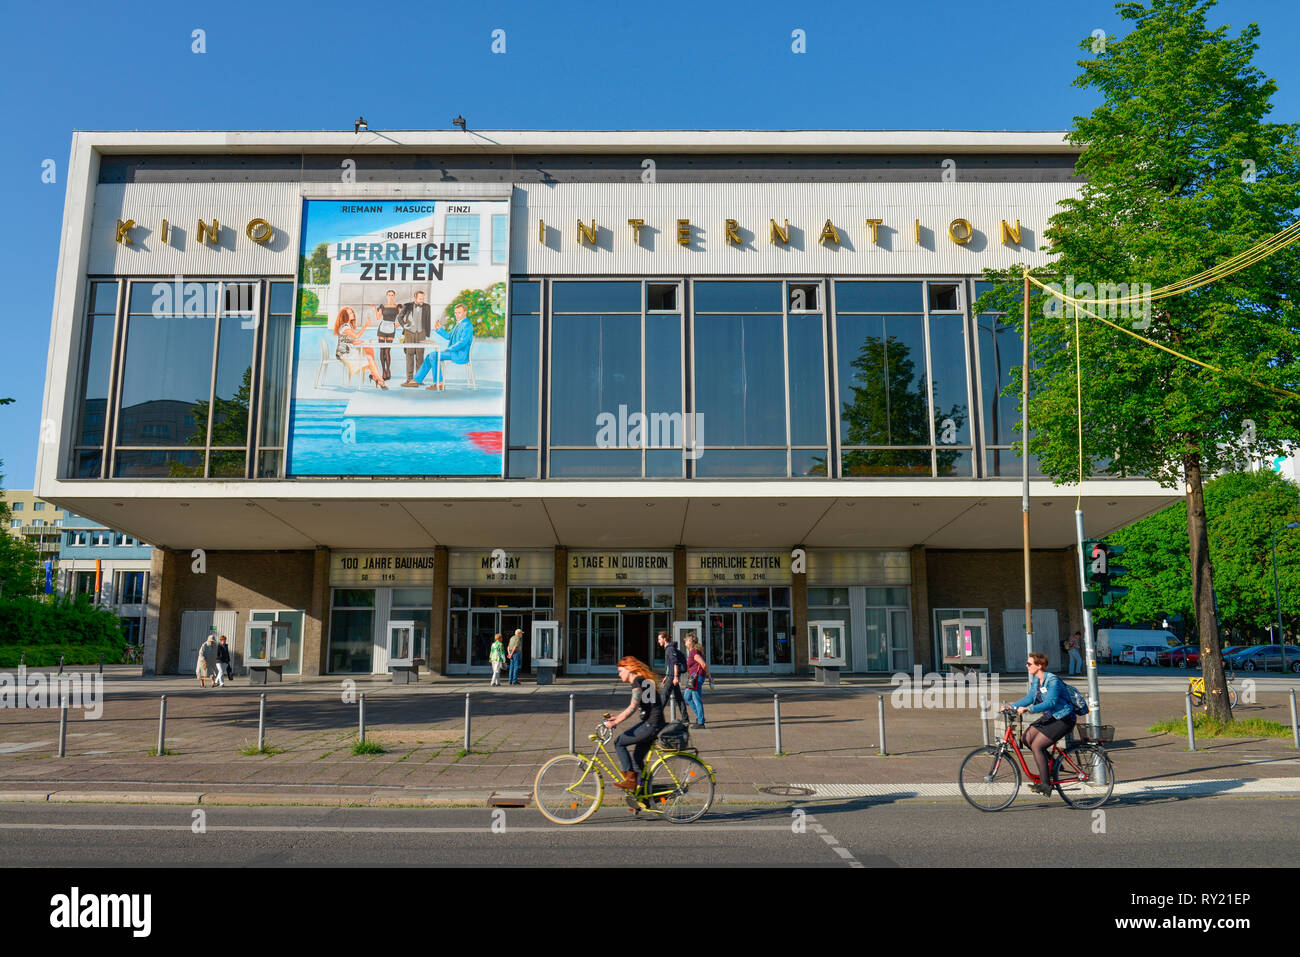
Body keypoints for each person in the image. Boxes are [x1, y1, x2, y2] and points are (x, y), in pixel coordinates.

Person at [1011, 652, 1077, 795]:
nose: (1026, 666)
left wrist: (1030, 709)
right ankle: (1054, 765)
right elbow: (1029, 697)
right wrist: (1012, 707)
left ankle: (1046, 785)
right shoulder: (1037, 680)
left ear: (1039, 666)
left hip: (1064, 718)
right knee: (1026, 738)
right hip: (1051, 717)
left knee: (1037, 745)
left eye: (1029, 664)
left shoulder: (1053, 680)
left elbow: (1050, 702)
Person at [604, 656, 666, 790]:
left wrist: (616, 722)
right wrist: (617, 718)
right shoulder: (643, 680)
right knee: (637, 758)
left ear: (629, 669)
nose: (619, 674)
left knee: (619, 742)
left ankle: (631, 780)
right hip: (654, 723)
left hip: (651, 724)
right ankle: (645, 794)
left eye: (620, 671)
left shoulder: (638, 681)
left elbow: (633, 706)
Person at [410, 302, 475, 390]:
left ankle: (439, 383)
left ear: (465, 312)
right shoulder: (459, 324)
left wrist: (448, 349)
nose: (456, 315)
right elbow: (448, 336)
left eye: (459, 313)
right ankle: (416, 380)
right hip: (454, 352)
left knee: (433, 355)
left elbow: (463, 342)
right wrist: (439, 328)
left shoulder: (467, 324)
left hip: (460, 354)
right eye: (455, 313)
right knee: (430, 356)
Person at [333, 307, 387, 389]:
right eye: (350, 313)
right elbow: (356, 336)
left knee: (368, 348)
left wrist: (364, 341)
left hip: (349, 351)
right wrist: (365, 326)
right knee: (369, 357)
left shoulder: (348, 326)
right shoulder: (344, 327)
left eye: (352, 312)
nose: (353, 314)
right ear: (345, 316)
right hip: (344, 354)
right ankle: (379, 380)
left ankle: (374, 376)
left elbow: (352, 342)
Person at [397, 290, 433, 385]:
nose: (422, 300)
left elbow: (428, 320)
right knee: (409, 355)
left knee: (420, 356)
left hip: (421, 333)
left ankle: (418, 379)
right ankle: (409, 379)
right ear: (415, 298)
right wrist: (404, 325)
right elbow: (399, 317)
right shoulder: (407, 305)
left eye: (423, 298)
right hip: (409, 333)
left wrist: (427, 335)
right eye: (420, 298)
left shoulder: (427, 307)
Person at [656, 631, 690, 721]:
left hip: (672, 676)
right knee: (679, 698)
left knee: (663, 696)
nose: (658, 641)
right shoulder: (669, 648)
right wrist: (666, 676)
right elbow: (669, 665)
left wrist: (675, 677)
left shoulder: (670, 649)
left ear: (664, 639)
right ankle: (685, 718)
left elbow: (675, 663)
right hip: (670, 675)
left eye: (659, 639)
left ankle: (656, 718)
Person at [681, 633, 713, 729]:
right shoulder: (693, 651)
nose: (685, 642)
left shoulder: (694, 652)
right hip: (693, 677)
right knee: (687, 696)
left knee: (696, 698)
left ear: (690, 642)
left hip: (696, 677)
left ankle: (701, 722)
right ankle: (699, 717)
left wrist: (709, 676)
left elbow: (703, 664)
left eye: (686, 641)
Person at [372, 290, 402, 380]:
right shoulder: (382, 306)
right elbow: (378, 317)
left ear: (394, 296)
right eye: (389, 295)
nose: (390, 296)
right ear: (386, 296)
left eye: (392, 295)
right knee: (382, 350)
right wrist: (374, 309)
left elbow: (402, 318)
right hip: (382, 328)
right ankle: (383, 371)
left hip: (391, 329)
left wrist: (395, 326)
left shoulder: (398, 307)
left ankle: (388, 370)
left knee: (387, 351)